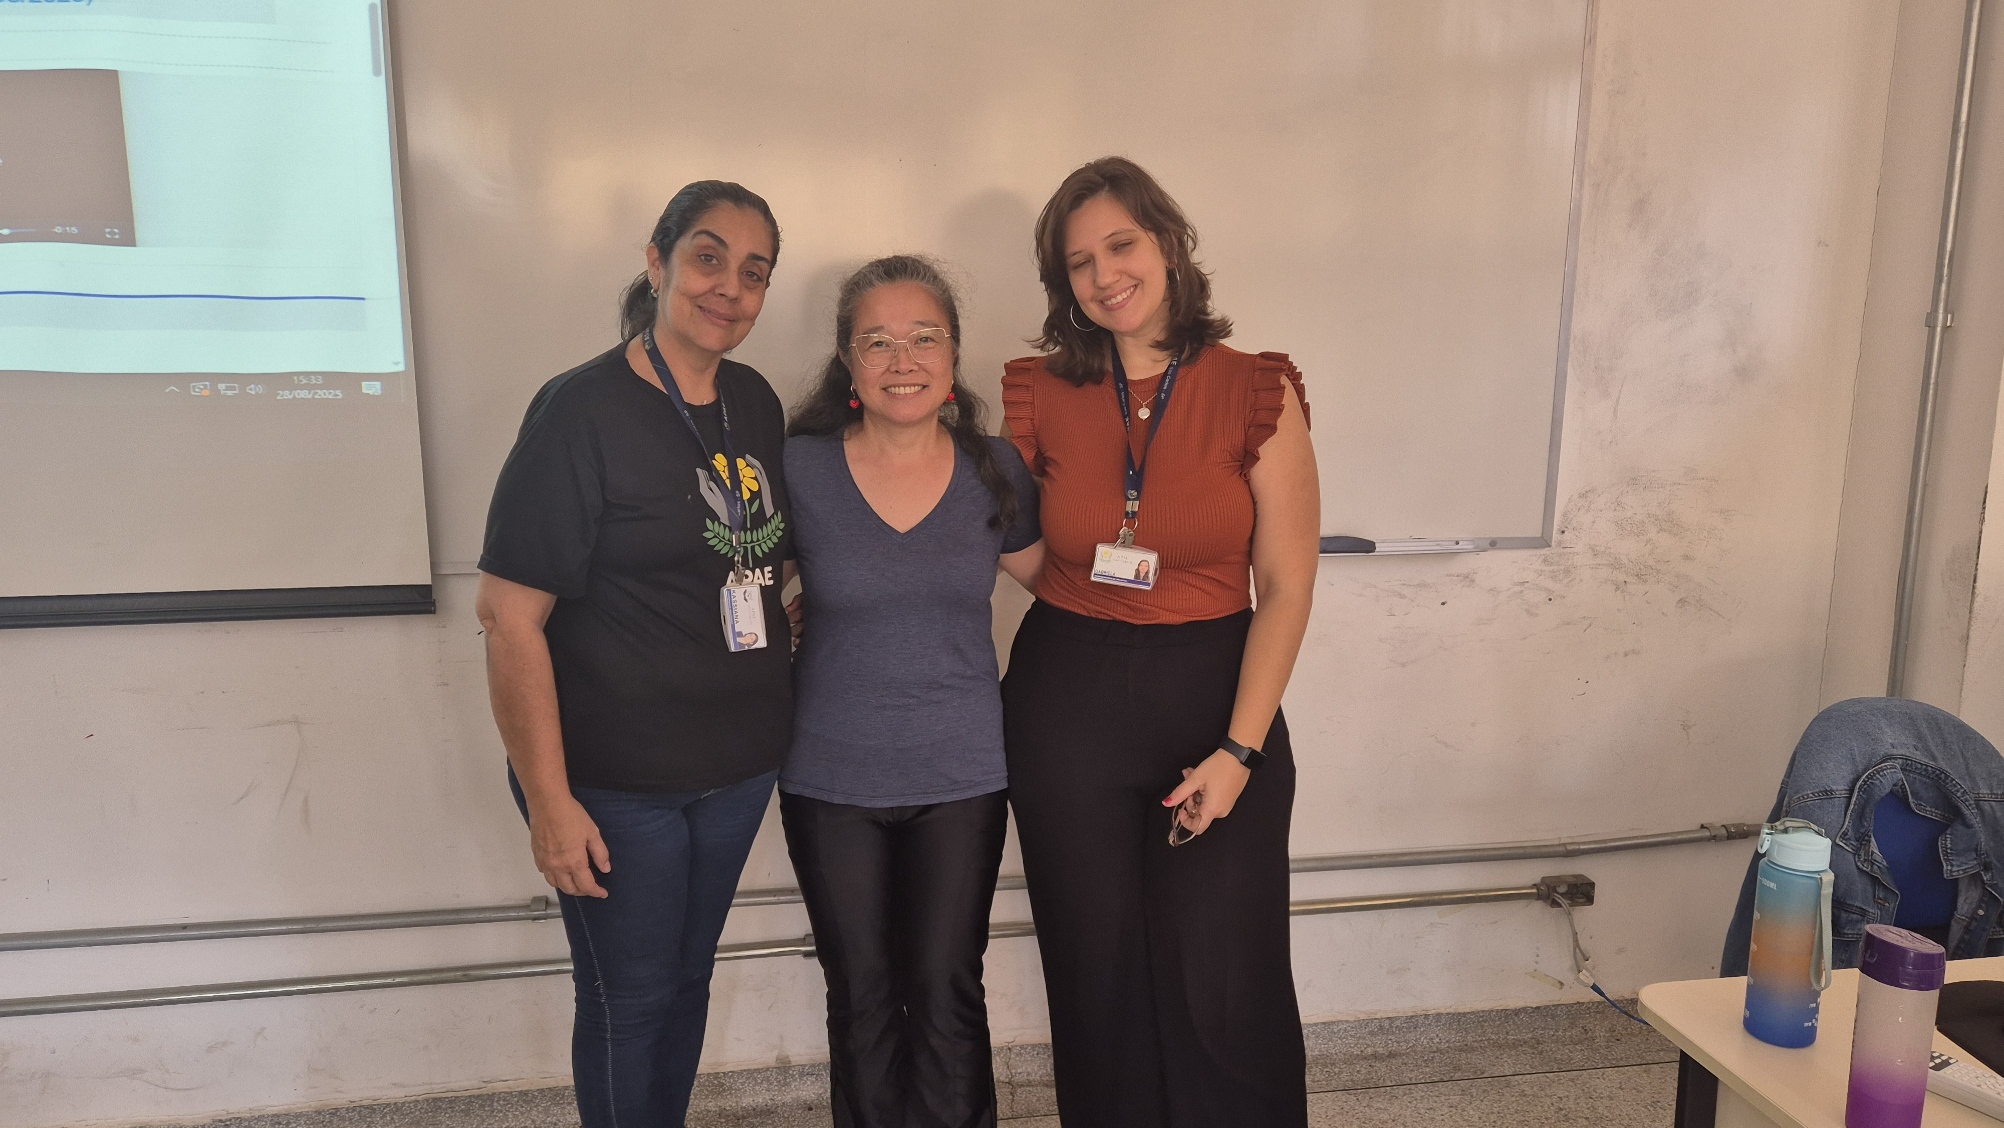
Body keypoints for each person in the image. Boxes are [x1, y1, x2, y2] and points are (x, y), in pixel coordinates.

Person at [999, 157, 1321, 1127]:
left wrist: (1239, 750)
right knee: (1097, 976)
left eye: (1121, 245)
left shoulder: (1256, 389)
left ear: (1170, 244)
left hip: (1217, 693)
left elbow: (1287, 585)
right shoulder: (1037, 392)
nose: (1105, 275)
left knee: (1226, 982)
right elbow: (1013, 542)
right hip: (1069, 699)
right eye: (1079, 262)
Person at [474, 180, 792, 1128]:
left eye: (754, 272)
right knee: (629, 998)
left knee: (687, 983)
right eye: (707, 258)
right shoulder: (581, 411)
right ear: (656, 263)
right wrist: (550, 803)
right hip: (615, 784)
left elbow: (757, 561)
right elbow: (507, 618)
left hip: (737, 768)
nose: (729, 287)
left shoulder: (754, 401)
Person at [782, 254, 1044, 1127]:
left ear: (954, 354)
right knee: (860, 997)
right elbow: (737, 590)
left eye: (925, 337)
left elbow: (1065, 591)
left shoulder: (996, 468)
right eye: (878, 342)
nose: (904, 360)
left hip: (963, 775)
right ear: (847, 362)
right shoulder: (798, 469)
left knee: (945, 991)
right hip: (829, 779)